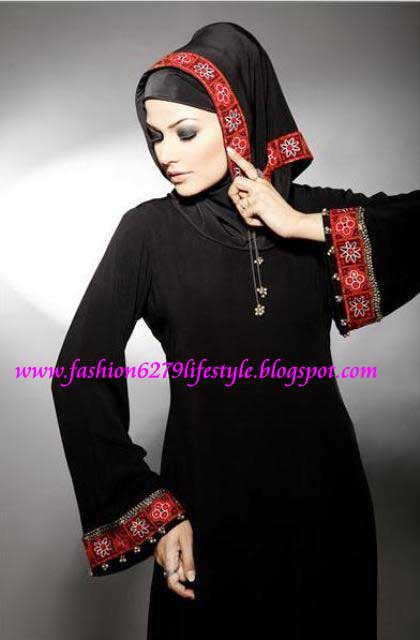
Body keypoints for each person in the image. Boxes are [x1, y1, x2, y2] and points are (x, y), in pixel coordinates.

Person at [51, 21, 420, 640]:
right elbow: (77, 374)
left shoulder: (312, 211)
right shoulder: (148, 234)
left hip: (324, 511)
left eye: (185, 132)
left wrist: (299, 226)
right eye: (155, 136)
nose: (165, 154)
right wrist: (155, 513)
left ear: (239, 121)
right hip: (206, 516)